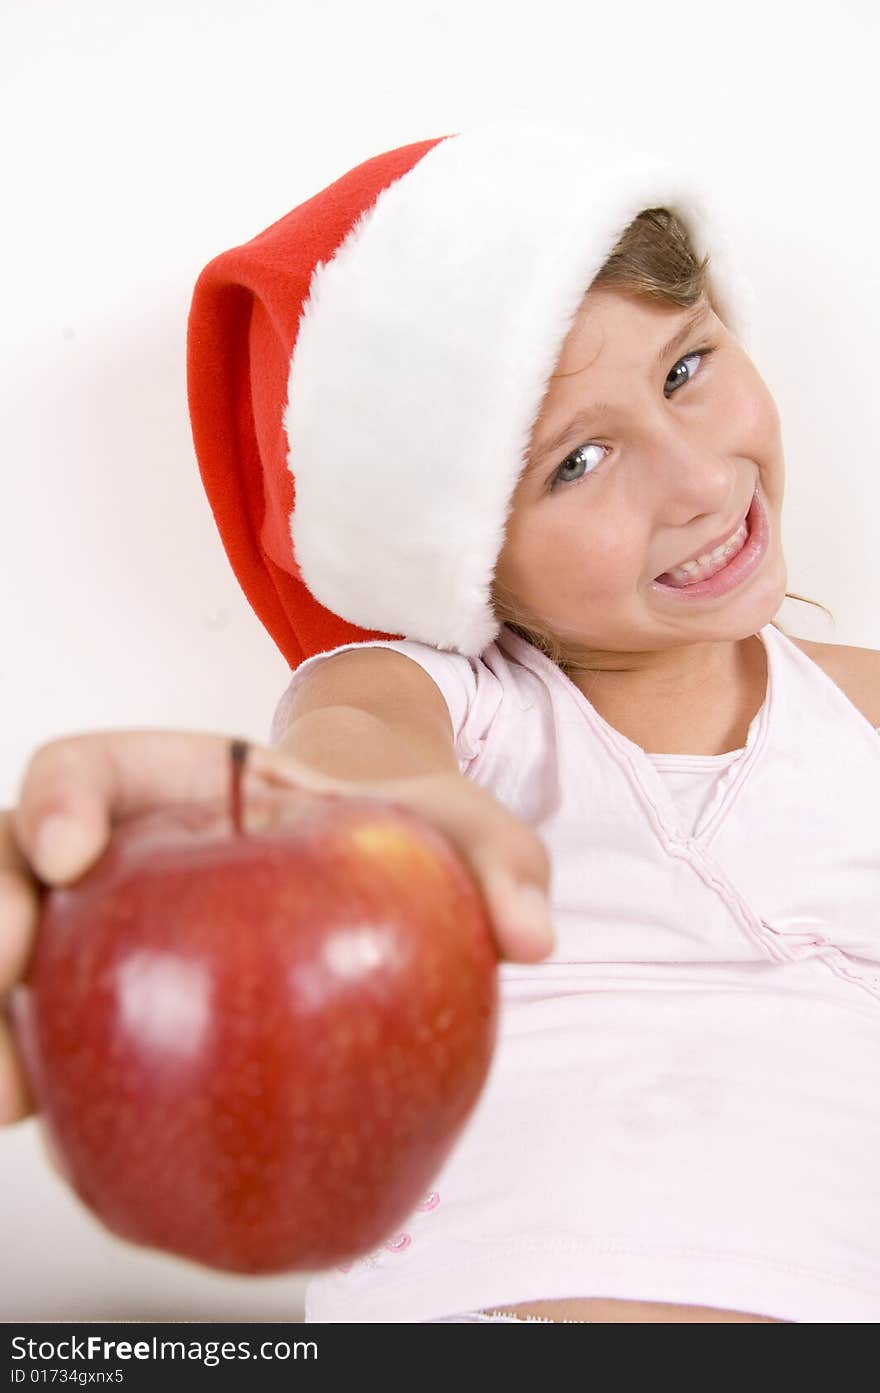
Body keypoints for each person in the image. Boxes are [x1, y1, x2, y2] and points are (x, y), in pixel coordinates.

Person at [2, 118, 879, 1324]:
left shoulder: (862, 714)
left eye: (685, 369)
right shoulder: (452, 708)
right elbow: (352, 742)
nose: (693, 478)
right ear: (459, 560)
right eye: (575, 462)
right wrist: (332, 830)